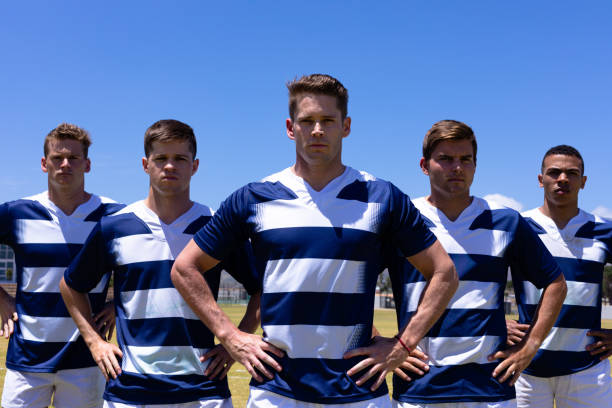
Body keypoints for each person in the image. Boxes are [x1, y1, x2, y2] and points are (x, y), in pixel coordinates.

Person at [171, 74, 458, 407]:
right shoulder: (254, 198)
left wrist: (403, 345)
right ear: (291, 128)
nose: (318, 130)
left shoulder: (382, 197)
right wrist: (231, 335)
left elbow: (445, 272)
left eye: (328, 121)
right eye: (307, 121)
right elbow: (184, 268)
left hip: (359, 392)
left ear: (345, 126)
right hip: (276, 391)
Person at [59, 119, 262, 408]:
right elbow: (70, 286)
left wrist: (234, 344)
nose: (170, 166)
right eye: (161, 158)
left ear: (195, 165)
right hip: (130, 392)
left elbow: (261, 289)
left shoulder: (216, 227)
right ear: (145, 164)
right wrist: (94, 342)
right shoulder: (114, 227)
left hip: (204, 391)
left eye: (180, 158)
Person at [388, 120, 567, 408]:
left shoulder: (505, 221)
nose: (456, 167)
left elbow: (556, 284)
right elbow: (350, 279)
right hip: (420, 387)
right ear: (425, 165)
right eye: (445, 159)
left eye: (465, 159)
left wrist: (529, 347)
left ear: (474, 165)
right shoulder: (402, 220)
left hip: (490, 387)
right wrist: (384, 344)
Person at [0, 123, 122, 408]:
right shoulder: (16, 213)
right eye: (57, 158)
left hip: (87, 360)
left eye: (73, 158)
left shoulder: (113, 215)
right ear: (45, 164)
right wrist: (1, 298)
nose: (65, 164)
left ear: (87, 164)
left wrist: (119, 305)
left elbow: (141, 266)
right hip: (27, 358)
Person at [508, 144, 612, 408]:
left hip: (587, 368)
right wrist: (496, 321)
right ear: (541, 180)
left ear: (583, 181)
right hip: (525, 367)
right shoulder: (518, 226)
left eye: (571, 173)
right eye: (554, 172)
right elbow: (479, 277)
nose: (562, 179)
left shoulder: (604, 230)